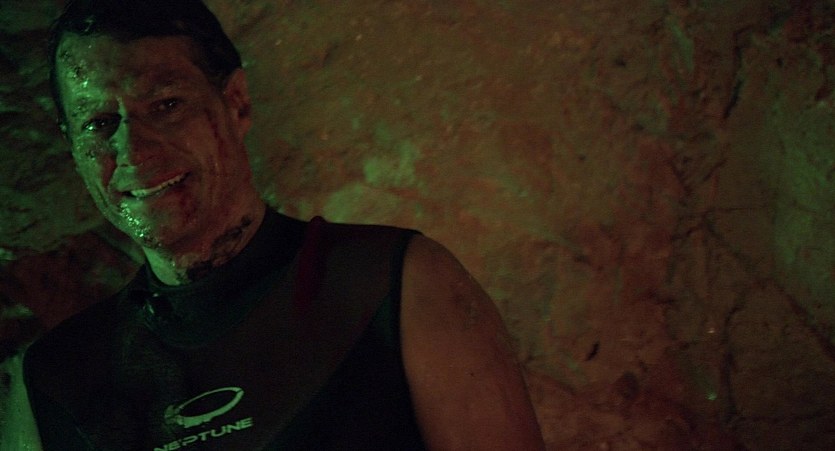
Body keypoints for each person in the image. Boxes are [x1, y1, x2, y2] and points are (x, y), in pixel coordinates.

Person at [22, 1, 545, 449]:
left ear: (236, 104)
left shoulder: (395, 285)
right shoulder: (60, 377)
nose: (134, 151)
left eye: (166, 106)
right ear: (73, 147)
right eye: (99, 123)